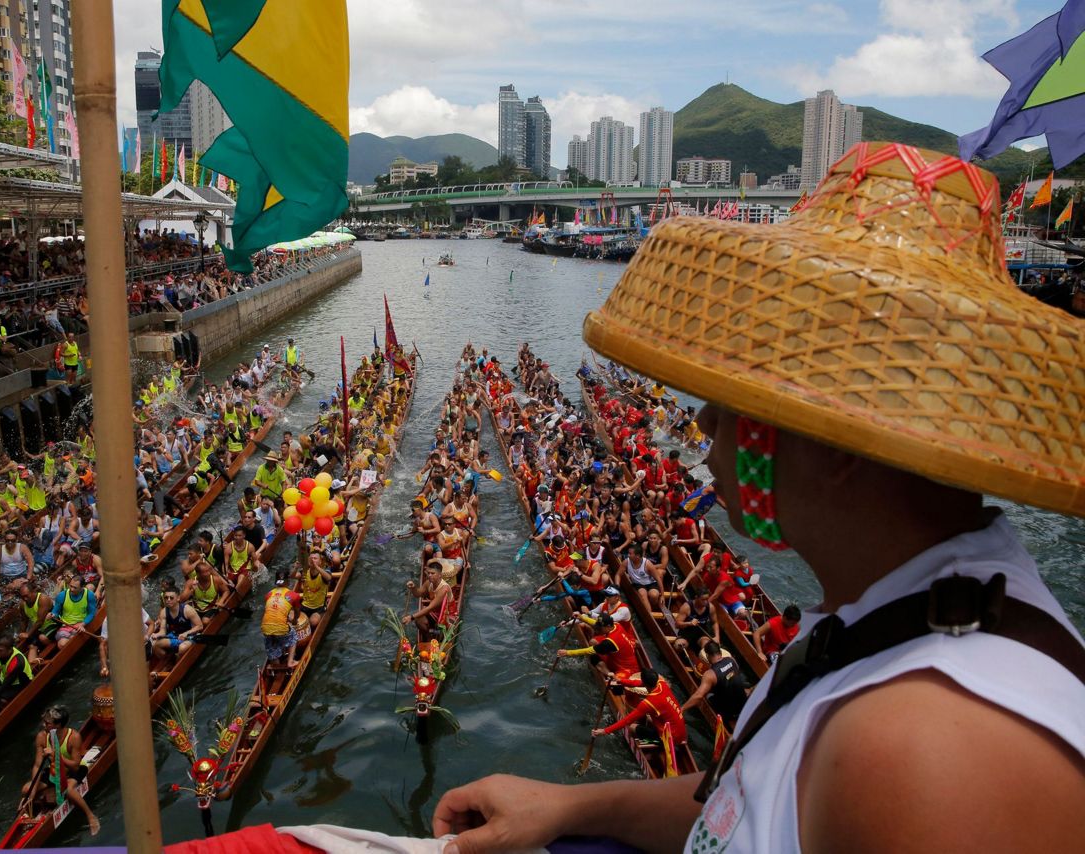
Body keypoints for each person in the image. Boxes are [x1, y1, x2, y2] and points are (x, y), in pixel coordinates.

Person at [433, 143, 1085, 853]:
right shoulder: (900, 619)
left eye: (738, 396)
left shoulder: (920, 754)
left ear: (837, 441)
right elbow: (751, 801)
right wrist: (571, 806)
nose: (706, 424)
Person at [22, 706, 99, 835]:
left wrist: (56, 754)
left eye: (47, 723)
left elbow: (75, 766)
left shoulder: (74, 737)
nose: (43, 725)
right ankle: (28, 812)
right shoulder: (41, 737)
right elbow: (37, 766)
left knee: (67, 789)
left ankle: (90, 815)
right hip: (55, 770)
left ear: (57, 725)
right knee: (26, 789)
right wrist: (31, 794)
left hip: (75, 769)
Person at [681, 641, 748, 727]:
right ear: (720, 652)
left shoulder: (710, 674)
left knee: (708, 695)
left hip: (731, 711)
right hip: (744, 703)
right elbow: (735, 674)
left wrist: (682, 708)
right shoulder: (731, 660)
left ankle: (730, 723)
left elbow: (699, 696)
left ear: (707, 656)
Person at [403, 560, 453, 638]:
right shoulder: (428, 583)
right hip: (435, 613)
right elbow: (418, 594)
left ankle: (436, 633)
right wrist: (413, 588)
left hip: (447, 616)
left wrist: (411, 617)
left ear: (440, 575)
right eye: (428, 573)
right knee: (418, 620)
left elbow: (429, 608)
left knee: (441, 633)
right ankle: (429, 636)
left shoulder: (444, 589)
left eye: (432, 573)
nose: (429, 575)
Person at [260, 575, 301, 668]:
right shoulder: (294, 595)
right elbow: (297, 613)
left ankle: (275, 663)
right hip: (280, 629)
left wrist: (289, 619)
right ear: (287, 582)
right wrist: (294, 621)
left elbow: (274, 612)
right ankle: (290, 662)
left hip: (265, 628)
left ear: (275, 582)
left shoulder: (268, 594)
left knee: (271, 639)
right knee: (293, 635)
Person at [151, 588, 203, 657]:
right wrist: (156, 634)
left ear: (178, 598)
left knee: (182, 648)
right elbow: (163, 631)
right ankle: (168, 660)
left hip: (190, 636)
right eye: (166, 598)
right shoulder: (163, 612)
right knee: (155, 645)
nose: (168, 600)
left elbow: (200, 626)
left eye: (171, 598)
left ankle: (177, 659)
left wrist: (186, 633)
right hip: (175, 636)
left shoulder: (187, 610)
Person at [0, 634, 33, 706]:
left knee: (1, 700)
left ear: (9, 650)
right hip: (4, 679)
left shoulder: (17, 663)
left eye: (0, 650)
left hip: (19, 683)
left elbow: (5, 685)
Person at [51, 576, 97, 649]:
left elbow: (92, 613)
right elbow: (55, 612)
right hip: (66, 625)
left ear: (82, 587)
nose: (71, 589)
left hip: (82, 625)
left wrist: (83, 624)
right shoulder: (62, 595)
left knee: (70, 641)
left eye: (75, 588)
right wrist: (52, 615)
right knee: (62, 644)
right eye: (70, 586)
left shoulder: (89, 595)